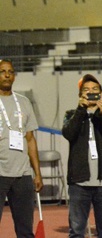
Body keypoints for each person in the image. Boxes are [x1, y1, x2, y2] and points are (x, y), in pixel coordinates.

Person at [62, 74, 102, 238]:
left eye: (95, 89)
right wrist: (80, 110)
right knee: (76, 231)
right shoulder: (72, 114)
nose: (91, 92)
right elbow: (69, 133)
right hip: (79, 181)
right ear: (80, 95)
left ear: (101, 94)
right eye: (86, 90)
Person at [0, 59, 43, 238]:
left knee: (25, 231)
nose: (7, 74)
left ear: (15, 76)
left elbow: (30, 140)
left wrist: (37, 173)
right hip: (0, 172)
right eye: (3, 71)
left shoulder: (24, 102)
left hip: (23, 174)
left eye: (10, 71)